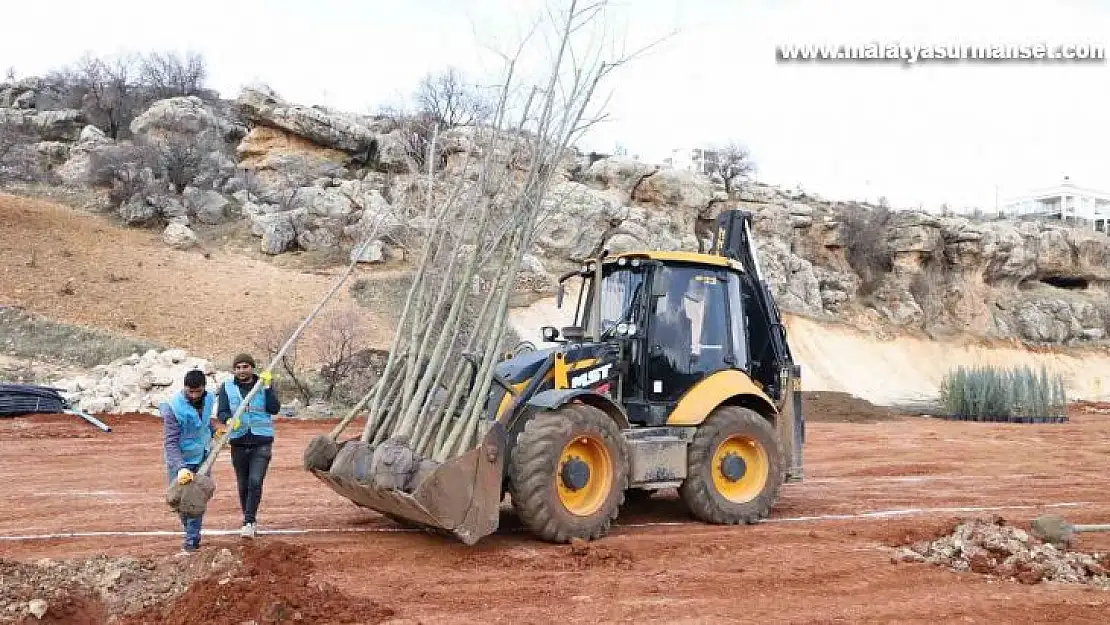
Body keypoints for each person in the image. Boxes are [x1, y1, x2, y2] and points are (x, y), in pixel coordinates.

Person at [217, 353, 280, 539]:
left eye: (245, 366)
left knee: (255, 481)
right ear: (234, 370)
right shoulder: (227, 387)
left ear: (252, 367)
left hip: (262, 441)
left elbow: (274, 408)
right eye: (238, 367)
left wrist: (268, 388)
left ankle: (248, 521)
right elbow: (221, 411)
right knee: (243, 485)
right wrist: (228, 420)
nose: (242, 370)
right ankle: (249, 518)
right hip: (238, 441)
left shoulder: (263, 384)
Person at [161, 369, 218, 554]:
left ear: (204, 389)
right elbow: (170, 442)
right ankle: (191, 532)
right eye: (190, 392)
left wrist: (215, 431)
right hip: (180, 460)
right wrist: (180, 468)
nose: (194, 395)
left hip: (202, 457)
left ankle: (191, 541)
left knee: (195, 500)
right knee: (180, 502)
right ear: (184, 388)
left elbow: (205, 421)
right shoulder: (173, 408)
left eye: (198, 392)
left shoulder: (209, 399)